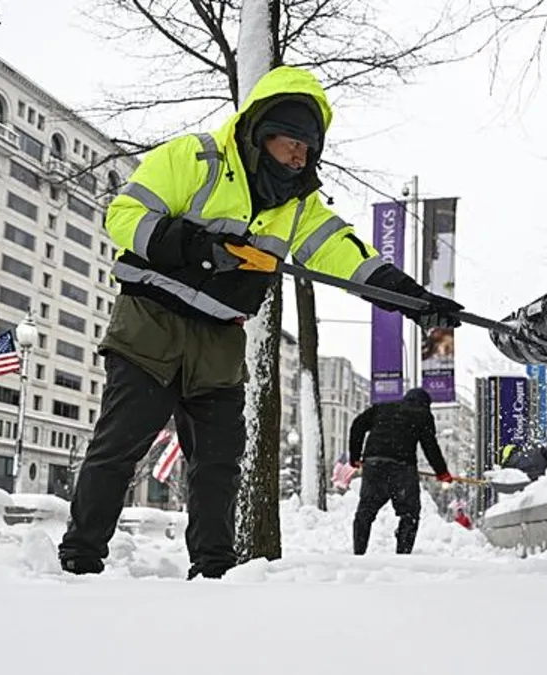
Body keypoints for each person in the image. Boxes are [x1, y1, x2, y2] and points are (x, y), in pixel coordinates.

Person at [58, 66, 463, 579]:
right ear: (260, 132)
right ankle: (81, 556)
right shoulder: (194, 159)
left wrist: (413, 299)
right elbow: (124, 215)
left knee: (219, 464)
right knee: (120, 447)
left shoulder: (299, 206)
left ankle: (214, 570)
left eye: (308, 145)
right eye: (290, 140)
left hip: (222, 337)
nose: (300, 154)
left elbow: (346, 255)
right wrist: (197, 247)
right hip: (151, 323)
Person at [347, 388, 453, 555]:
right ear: (425, 404)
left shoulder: (383, 407)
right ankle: (403, 555)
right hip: (401, 467)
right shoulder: (422, 414)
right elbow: (429, 445)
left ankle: (358, 553)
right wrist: (442, 472)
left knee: (365, 511)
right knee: (409, 513)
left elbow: (357, 426)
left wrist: (354, 456)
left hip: (373, 464)